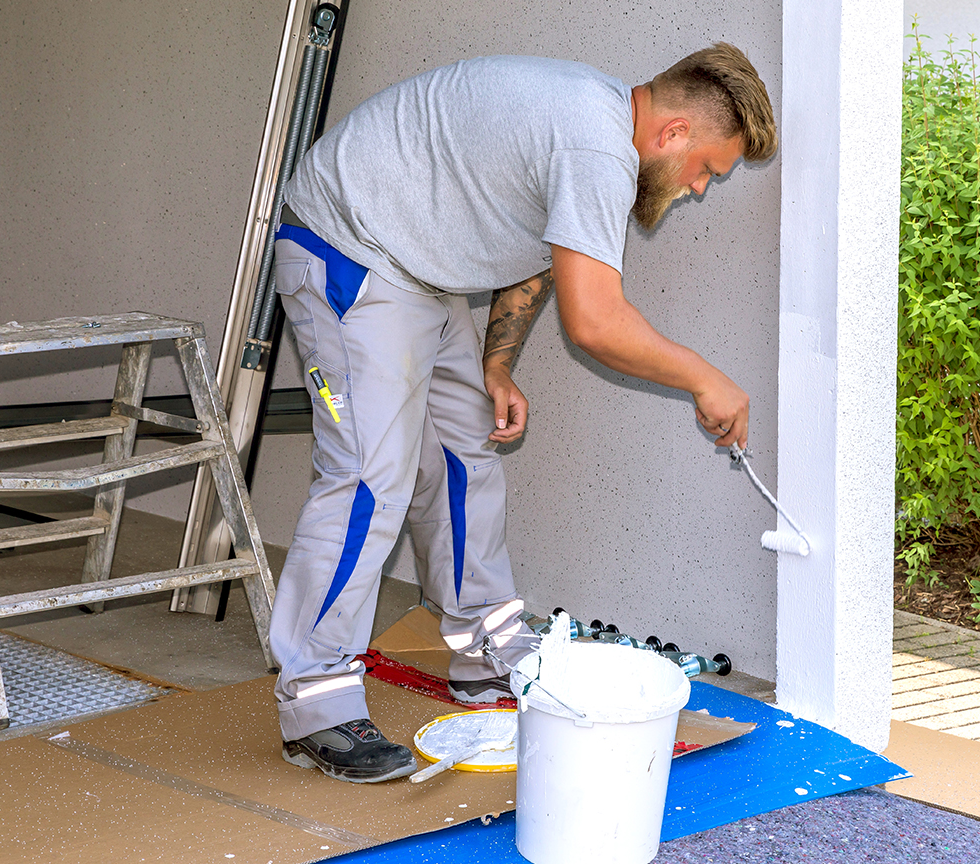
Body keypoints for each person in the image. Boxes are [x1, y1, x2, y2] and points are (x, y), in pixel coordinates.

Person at [268, 43, 777, 783]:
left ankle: (486, 651)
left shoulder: (593, 126)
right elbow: (596, 323)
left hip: (416, 269)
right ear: (672, 134)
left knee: (463, 458)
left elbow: (540, 252)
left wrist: (496, 362)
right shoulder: (594, 144)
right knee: (367, 480)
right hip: (348, 248)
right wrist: (705, 378)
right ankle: (315, 702)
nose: (698, 188)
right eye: (706, 169)